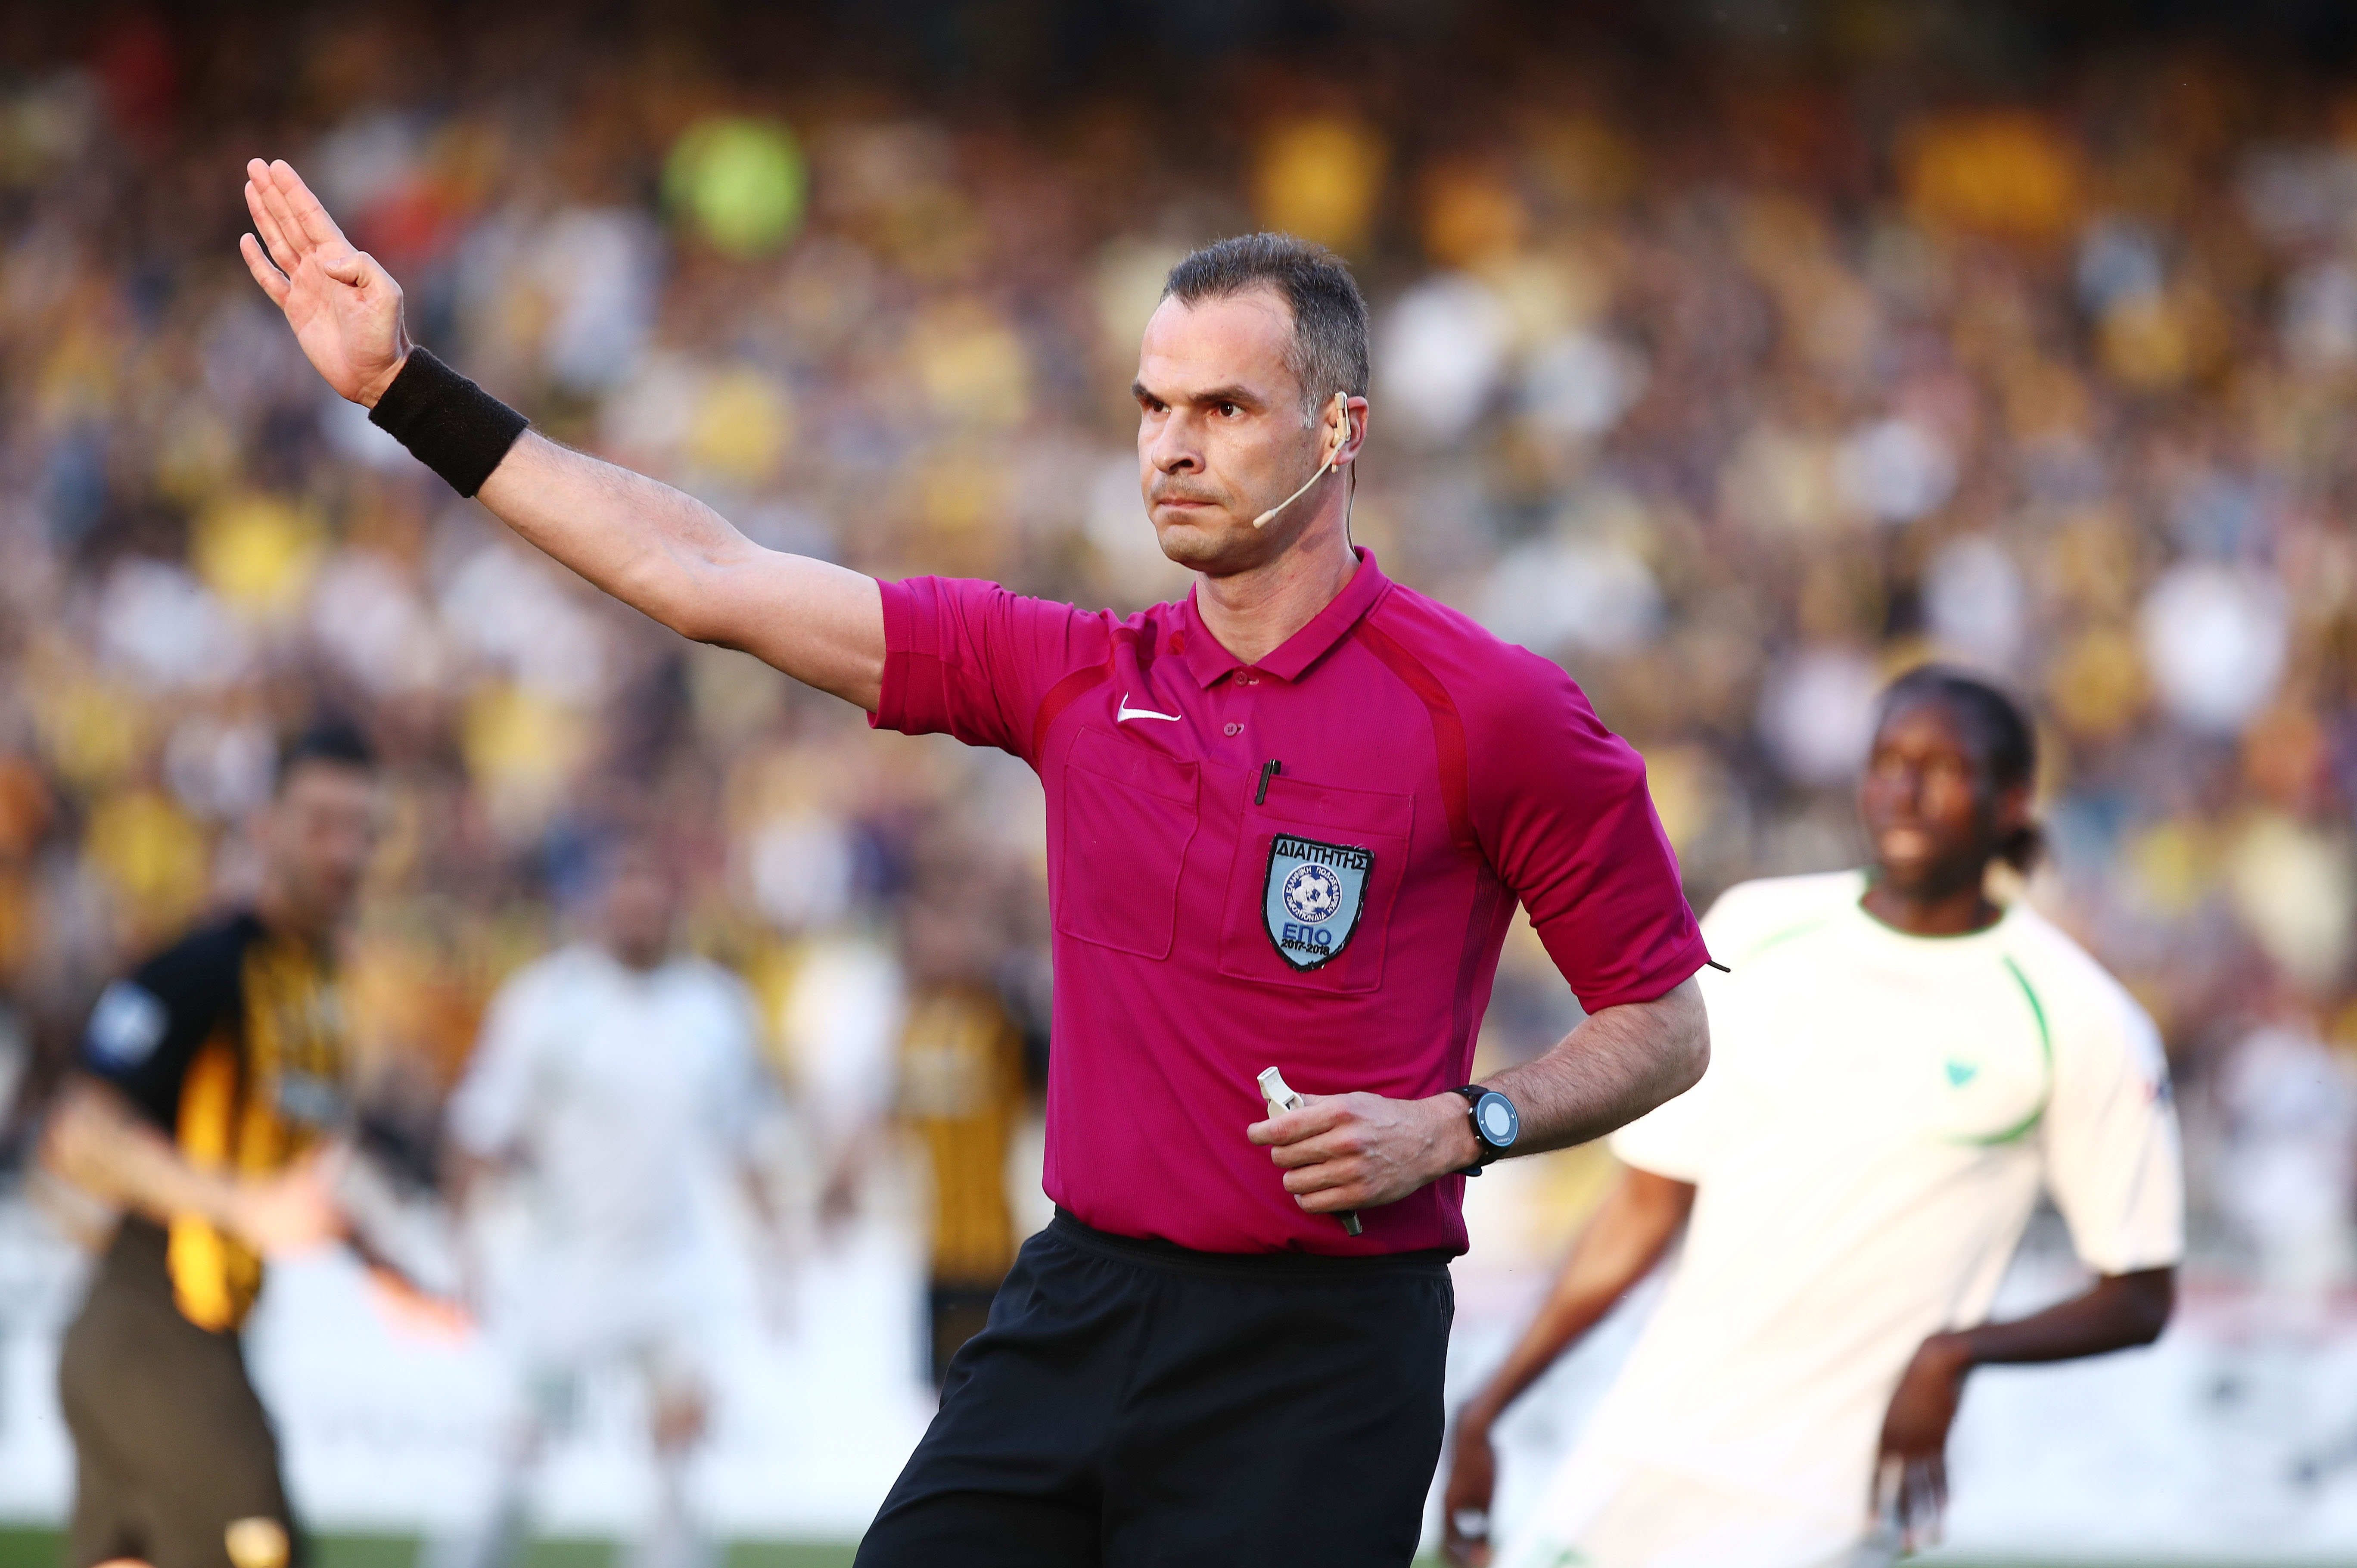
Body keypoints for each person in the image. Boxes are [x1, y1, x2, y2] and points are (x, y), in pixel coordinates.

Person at [238, 158, 1713, 1567]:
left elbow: (1664, 1022)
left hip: (1320, 1353)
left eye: (1223, 409)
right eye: (1150, 407)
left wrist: (1464, 1125)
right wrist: (400, 389)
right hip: (1076, 1303)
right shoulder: (1076, 677)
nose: (1170, 447)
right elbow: (703, 575)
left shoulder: (1493, 712)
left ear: (1340, 431)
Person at [1442, 667, 2184, 1568]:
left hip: (1829, 1501)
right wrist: (1489, 1406)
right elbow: (1643, 1210)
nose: (1905, 790)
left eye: (1944, 767)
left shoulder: (2077, 1014)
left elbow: (2140, 1292)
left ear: (2014, 799)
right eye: (1888, 762)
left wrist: (1955, 1353)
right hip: (1647, 1446)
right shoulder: (1758, 931)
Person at [39, 719, 384, 1568]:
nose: (343, 851)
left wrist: (388, 1271)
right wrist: (241, 1206)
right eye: (321, 823)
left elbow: (304, 1177)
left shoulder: (320, 988)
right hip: (151, 1328)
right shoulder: (203, 969)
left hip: (196, 1339)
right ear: (265, 828)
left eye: (362, 829)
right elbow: (79, 1133)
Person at [432, 832, 784, 1568]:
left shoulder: (715, 1008)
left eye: (653, 889)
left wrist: (776, 1257)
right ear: (597, 902)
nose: (639, 904)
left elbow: (747, 1140)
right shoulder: (546, 1001)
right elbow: (481, 1127)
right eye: (625, 885)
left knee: (680, 1458)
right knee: (520, 1450)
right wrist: (462, 1245)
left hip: (675, 1263)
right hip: (574, 1261)